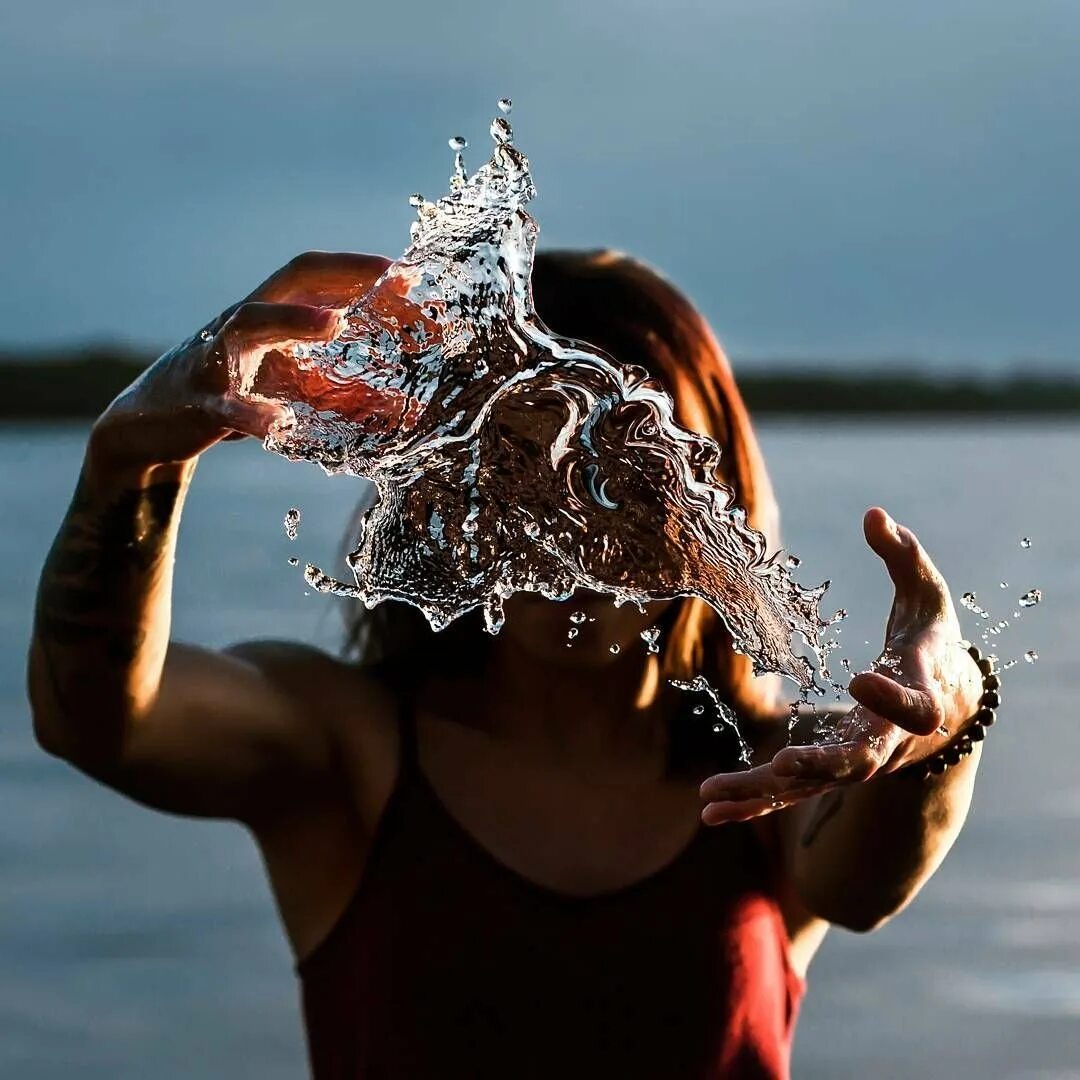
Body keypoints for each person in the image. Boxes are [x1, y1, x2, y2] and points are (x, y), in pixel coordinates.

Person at [27, 248, 987, 1080]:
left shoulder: (776, 772)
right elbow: (101, 721)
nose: (574, 517)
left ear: (717, 502)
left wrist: (943, 711)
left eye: (631, 463)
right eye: (519, 458)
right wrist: (131, 465)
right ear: (441, 489)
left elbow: (864, 890)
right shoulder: (348, 753)